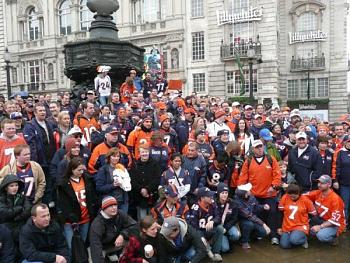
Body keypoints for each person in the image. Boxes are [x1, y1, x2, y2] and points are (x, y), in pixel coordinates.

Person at [238, 139, 281, 245]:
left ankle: (273, 236)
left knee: (272, 214)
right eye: (257, 147)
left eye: (261, 146)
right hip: (254, 194)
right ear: (253, 149)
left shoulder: (271, 159)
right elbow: (243, 177)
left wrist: (274, 186)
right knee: (255, 215)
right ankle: (257, 235)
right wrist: (243, 191)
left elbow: (277, 174)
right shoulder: (248, 161)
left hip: (269, 194)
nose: (260, 148)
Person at [56, 157, 98, 251]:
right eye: (79, 170)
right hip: (70, 221)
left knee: (82, 245)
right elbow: (63, 204)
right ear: (72, 169)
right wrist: (71, 217)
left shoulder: (87, 179)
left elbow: (92, 197)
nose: (81, 172)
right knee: (72, 247)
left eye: (83, 169)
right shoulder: (63, 184)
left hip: (85, 218)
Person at [23, 103, 56, 203]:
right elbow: (31, 146)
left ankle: (51, 204)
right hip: (40, 162)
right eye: (40, 111)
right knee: (42, 185)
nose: (43, 112)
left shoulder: (49, 123)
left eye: (44, 110)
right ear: (35, 113)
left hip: (51, 160)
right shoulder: (30, 126)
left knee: (51, 184)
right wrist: (35, 162)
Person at [89, 196, 138, 263]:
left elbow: (135, 225)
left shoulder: (120, 213)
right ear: (104, 208)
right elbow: (95, 248)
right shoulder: (97, 224)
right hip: (103, 247)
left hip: (118, 243)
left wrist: (122, 235)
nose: (114, 208)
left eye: (115, 205)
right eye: (110, 206)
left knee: (135, 240)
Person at [186, 187, 224, 262]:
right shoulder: (195, 209)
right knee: (190, 255)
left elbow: (218, 217)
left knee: (220, 228)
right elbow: (194, 229)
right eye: (209, 196)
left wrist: (212, 221)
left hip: (209, 230)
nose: (211, 197)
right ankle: (209, 252)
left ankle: (216, 253)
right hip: (199, 233)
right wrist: (203, 241)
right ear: (202, 198)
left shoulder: (212, 203)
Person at [307, 175, 346, 244]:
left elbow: (334, 220)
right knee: (305, 228)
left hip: (335, 224)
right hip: (321, 219)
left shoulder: (336, 199)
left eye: (322, 183)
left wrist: (320, 227)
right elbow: (303, 197)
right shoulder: (318, 192)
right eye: (319, 183)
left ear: (329, 185)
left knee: (321, 236)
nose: (319, 185)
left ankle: (334, 238)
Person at [278, 184, 317, 249]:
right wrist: (279, 226)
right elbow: (280, 212)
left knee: (294, 240)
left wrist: (307, 222)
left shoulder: (305, 200)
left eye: (295, 194)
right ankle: (294, 238)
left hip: (300, 225)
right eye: (290, 194)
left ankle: (303, 239)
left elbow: (313, 214)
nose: (292, 196)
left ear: (299, 193)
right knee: (284, 245)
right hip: (287, 225)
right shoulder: (285, 197)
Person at [130, 144, 161, 220]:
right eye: (142, 152)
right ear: (139, 153)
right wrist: (141, 189)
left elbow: (157, 179)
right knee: (142, 220)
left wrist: (147, 189)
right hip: (140, 198)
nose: (144, 154)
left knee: (153, 219)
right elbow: (132, 180)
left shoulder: (155, 164)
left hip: (152, 196)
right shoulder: (135, 165)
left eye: (146, 151)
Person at [95, 147, 131, 213]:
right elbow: (99, 188)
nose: (116, 158)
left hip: (123, 201)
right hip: (110, 202)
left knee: (122, 221)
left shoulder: (122, 168)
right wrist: (113, 185)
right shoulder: (103, 169)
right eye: (114, 156)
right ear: (109, 157)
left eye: (118, 156)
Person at [236, 183, 270, 249]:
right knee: (249, 224)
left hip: (253, 218)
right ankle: (244, 241)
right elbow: (248, 215)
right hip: (242, 220)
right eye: (248, 191)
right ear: (244, 194)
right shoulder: (237, 202)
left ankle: (250, 236)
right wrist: (263, 224)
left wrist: (263, 207)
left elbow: (256, 207)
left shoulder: (251, 197)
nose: (250, 191)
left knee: (263, 232)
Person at [0, 174, 32, 247]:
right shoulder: (1, 199)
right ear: (6, 188)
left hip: (21, 229)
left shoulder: (22, 197)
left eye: (16, 185)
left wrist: (17, 217)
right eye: (11, 186)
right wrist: (20, 208)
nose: (15, 188)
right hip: (7, 231)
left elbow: (28, 210)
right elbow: (5, 214)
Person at [215, 183, 240, 253]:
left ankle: (229, 240)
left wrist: (226, 228)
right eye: (222, 193)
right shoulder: (213, 203)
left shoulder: (233, 203)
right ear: (218, 193)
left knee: (236, 235)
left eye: (226, 193)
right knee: (225, 249)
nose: (225, 195)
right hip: (218, 227)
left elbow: (234, 219)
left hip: (228, 226)